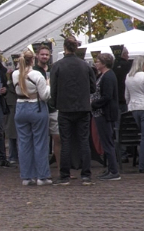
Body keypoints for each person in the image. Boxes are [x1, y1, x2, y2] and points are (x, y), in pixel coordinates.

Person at [50, 35, 96, 185]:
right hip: (83, 107)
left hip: (65, 108)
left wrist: (56, 103)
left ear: (64, 48)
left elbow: (54, 89)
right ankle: (86, 175)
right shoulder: (85, 65)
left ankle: (64, 175)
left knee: (66, 142)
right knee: (84, 141)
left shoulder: (57, 66)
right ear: (76, 48)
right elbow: (93, 87)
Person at [13, 49, 51, 185]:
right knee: (40, 142)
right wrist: (48, 85)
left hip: (20, 107)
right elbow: (45, 96)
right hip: (36, 107)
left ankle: (26, 177)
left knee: (23, 143)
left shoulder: (14, 74)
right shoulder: (37, 75)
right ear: (33, 60)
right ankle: (42, 176)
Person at [91, 52, 121, 181]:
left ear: (104, 63)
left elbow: (107, 96)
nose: (96, 63)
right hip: (100, 112)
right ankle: (110, 168)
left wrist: (94, 104)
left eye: (98, 61)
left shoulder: (108, 76)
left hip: (104, 113)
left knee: (107, 142)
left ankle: (114, 171)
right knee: (105, 141)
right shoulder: (103, 75)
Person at [34, 45, 61, 168]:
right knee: (41, 140)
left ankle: (61, 168)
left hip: (53, 108)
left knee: (58, 138)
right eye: (42, 54)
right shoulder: (33, 71)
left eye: (46, 54)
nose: (44, 56)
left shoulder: (54, 69)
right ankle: (42, 167)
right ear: (37, 55)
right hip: (39, 108)